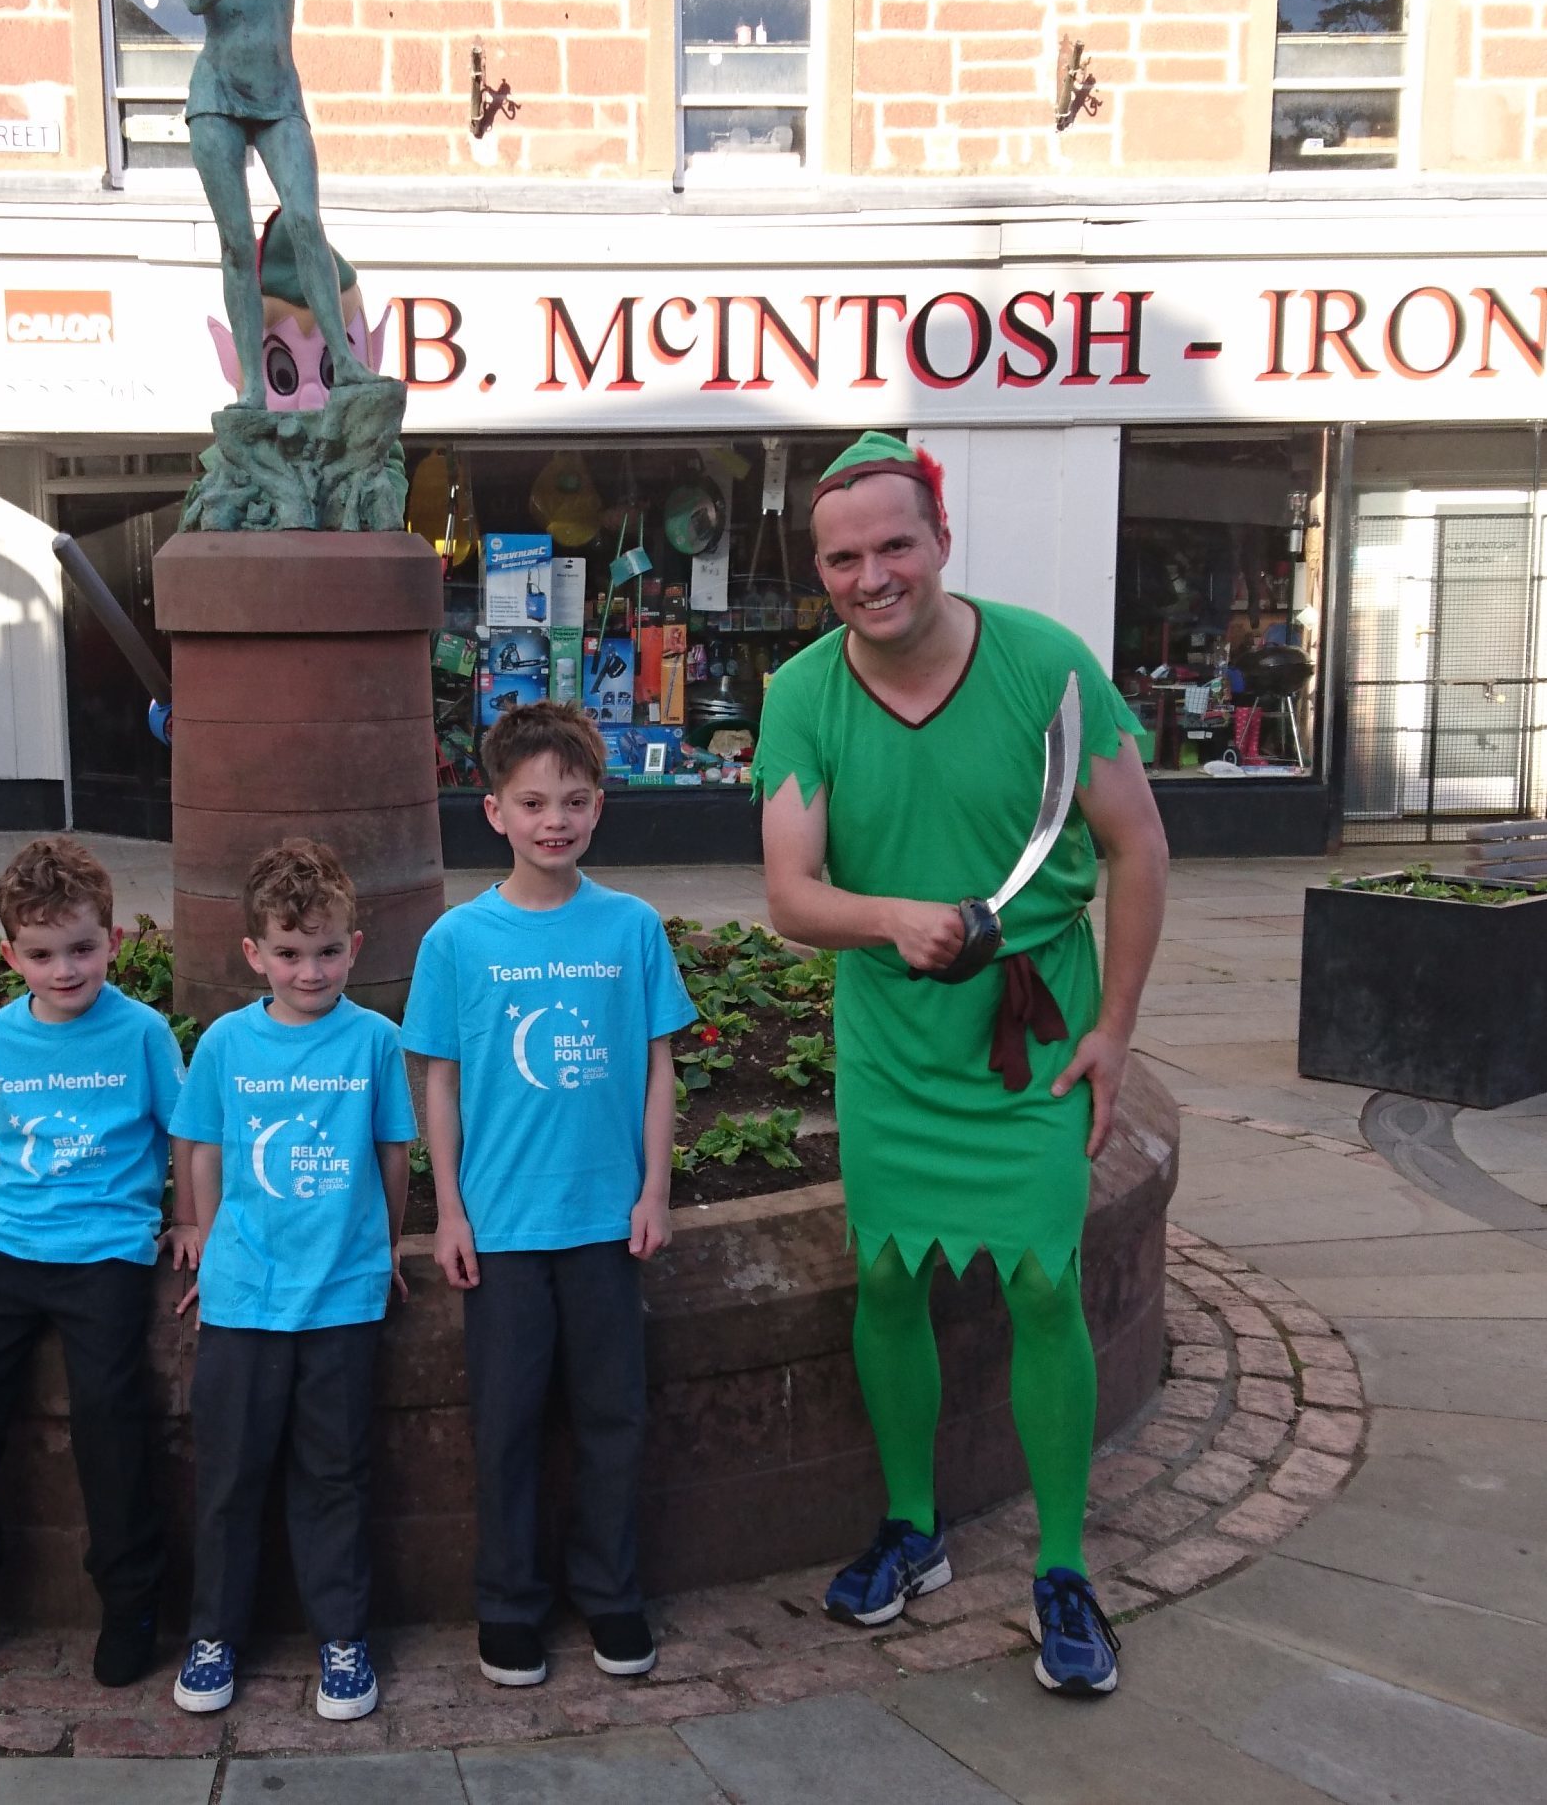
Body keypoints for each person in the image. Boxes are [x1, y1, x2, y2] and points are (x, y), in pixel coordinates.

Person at [752, 432, 1169, 1698]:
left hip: (1028, 1041)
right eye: (842, 557)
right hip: (890, 1045)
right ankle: (911, 1527)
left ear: (938, 539)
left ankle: (1057, 1567)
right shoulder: (802, 695)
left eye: (893, 545)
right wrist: (890, 919)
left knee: (1044, 1285)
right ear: (818, 570)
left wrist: (1114, 1032)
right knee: (884, 1278)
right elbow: (786, 891)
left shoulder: (1046, 668)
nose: (870, 575)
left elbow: (1137, 847)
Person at [401, 703, 697, 1689]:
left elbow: (657, 1067)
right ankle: (509, 1602)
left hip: (606, 1221)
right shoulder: (457, 940)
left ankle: (610, 1593)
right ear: (492, 811)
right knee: (509, 1423)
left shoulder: (629, 928)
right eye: (531, 802)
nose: (552, 820)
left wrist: (653, 1190)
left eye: (572, 801)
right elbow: (436, 1079)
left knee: (612, 1416)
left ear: (599, 805)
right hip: (502, 1227)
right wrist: (447, 1207)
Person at [0, 837, 187, 1686]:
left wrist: (183, 1218)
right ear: (11, 956)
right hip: (11, 1250)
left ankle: (131, 1597)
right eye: (41, 955)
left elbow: (186, 1133)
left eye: (82, 949)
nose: (65, 970)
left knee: (109, 1417)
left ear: (113, 939)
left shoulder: (142, 1034)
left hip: (105, 1251)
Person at [165, 839, 414, 1723]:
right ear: (254, 955)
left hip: (343, 1296)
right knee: (230, 1476)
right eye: (289, 952)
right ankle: (215, 1634)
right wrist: (200, 1231)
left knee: (336, 1475)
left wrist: (388, 1247)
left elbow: (392, 1155)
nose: (310, 970)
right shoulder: (228, 1043)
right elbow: (202, 1148)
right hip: (244, 1300)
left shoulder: (377, 1043)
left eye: (328, 950)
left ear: (356, 943)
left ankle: (342, 1638)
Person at [178, 0, 382, 410]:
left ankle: (344, 361)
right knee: (238, 244)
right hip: (217, 95)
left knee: (305, 220)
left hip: (278, 97)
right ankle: (251, 387)